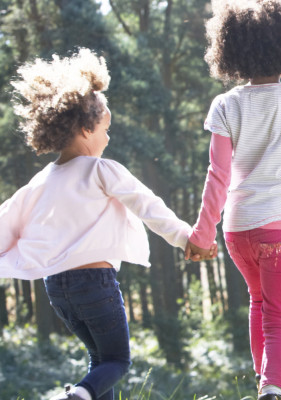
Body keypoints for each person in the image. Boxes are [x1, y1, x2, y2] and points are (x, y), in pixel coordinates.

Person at [0, 49, 212, 400]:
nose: (108, 138)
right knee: (117, 360)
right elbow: (149, 206)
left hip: (57, 289)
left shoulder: (39, 182)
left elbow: (5, 222)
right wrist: (187, 237)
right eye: (105, 129)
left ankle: (83, 394)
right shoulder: (101, 169)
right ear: (86, 129)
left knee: (99, 363)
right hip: (95, 284)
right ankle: (74, 396)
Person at [186, 1, 281, 398]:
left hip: (238, 229)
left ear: (232, 50)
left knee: (259, 303)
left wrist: (203, 234)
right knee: (280, 316)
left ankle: (265, 385)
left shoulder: (226, 104)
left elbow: (217, 175)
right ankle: (274, 389)